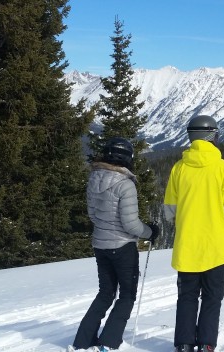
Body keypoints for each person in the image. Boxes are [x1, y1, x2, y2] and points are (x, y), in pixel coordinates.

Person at [163, 115, 224, 352]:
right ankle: (206, 344)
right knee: (212, 299)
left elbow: (169, 212)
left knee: (187, 298)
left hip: (187, 247)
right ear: (213, 136)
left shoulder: (179, 168)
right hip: (214, 248)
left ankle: (183, 344)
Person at [70, 137, 159, 352]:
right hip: (122, 247)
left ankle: (82, 341)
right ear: (127, 158)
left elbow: (93, 215)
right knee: (127, 294)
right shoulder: (125, 184)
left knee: (106, 292)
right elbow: (130, 224)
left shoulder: (94, 178)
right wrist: (150, 232)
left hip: (100, 245)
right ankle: (109, 342)